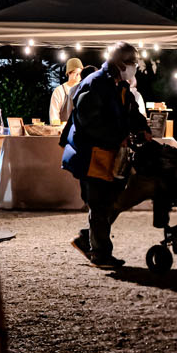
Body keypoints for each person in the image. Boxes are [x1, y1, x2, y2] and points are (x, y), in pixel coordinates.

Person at [61, 42, 151, 268]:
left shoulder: (120, 85)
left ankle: (87, 240)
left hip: (107, 154)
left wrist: (143, 128)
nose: (134, 67)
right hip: (90, 154)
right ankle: (100, 255)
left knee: (111, 201)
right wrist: (117, 137)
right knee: (100, 203)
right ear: (119, 63)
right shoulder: (95, 83)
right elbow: (88, 121)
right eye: (131, 63)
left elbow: (131, 112)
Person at [48, 58, 84, 126]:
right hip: (63, 129)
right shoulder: (59, 91)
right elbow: (54, 114)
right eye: (76, 73)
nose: (78, 76)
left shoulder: (82, 90)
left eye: (80, 73)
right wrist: (57, 127)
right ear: (69, 73)